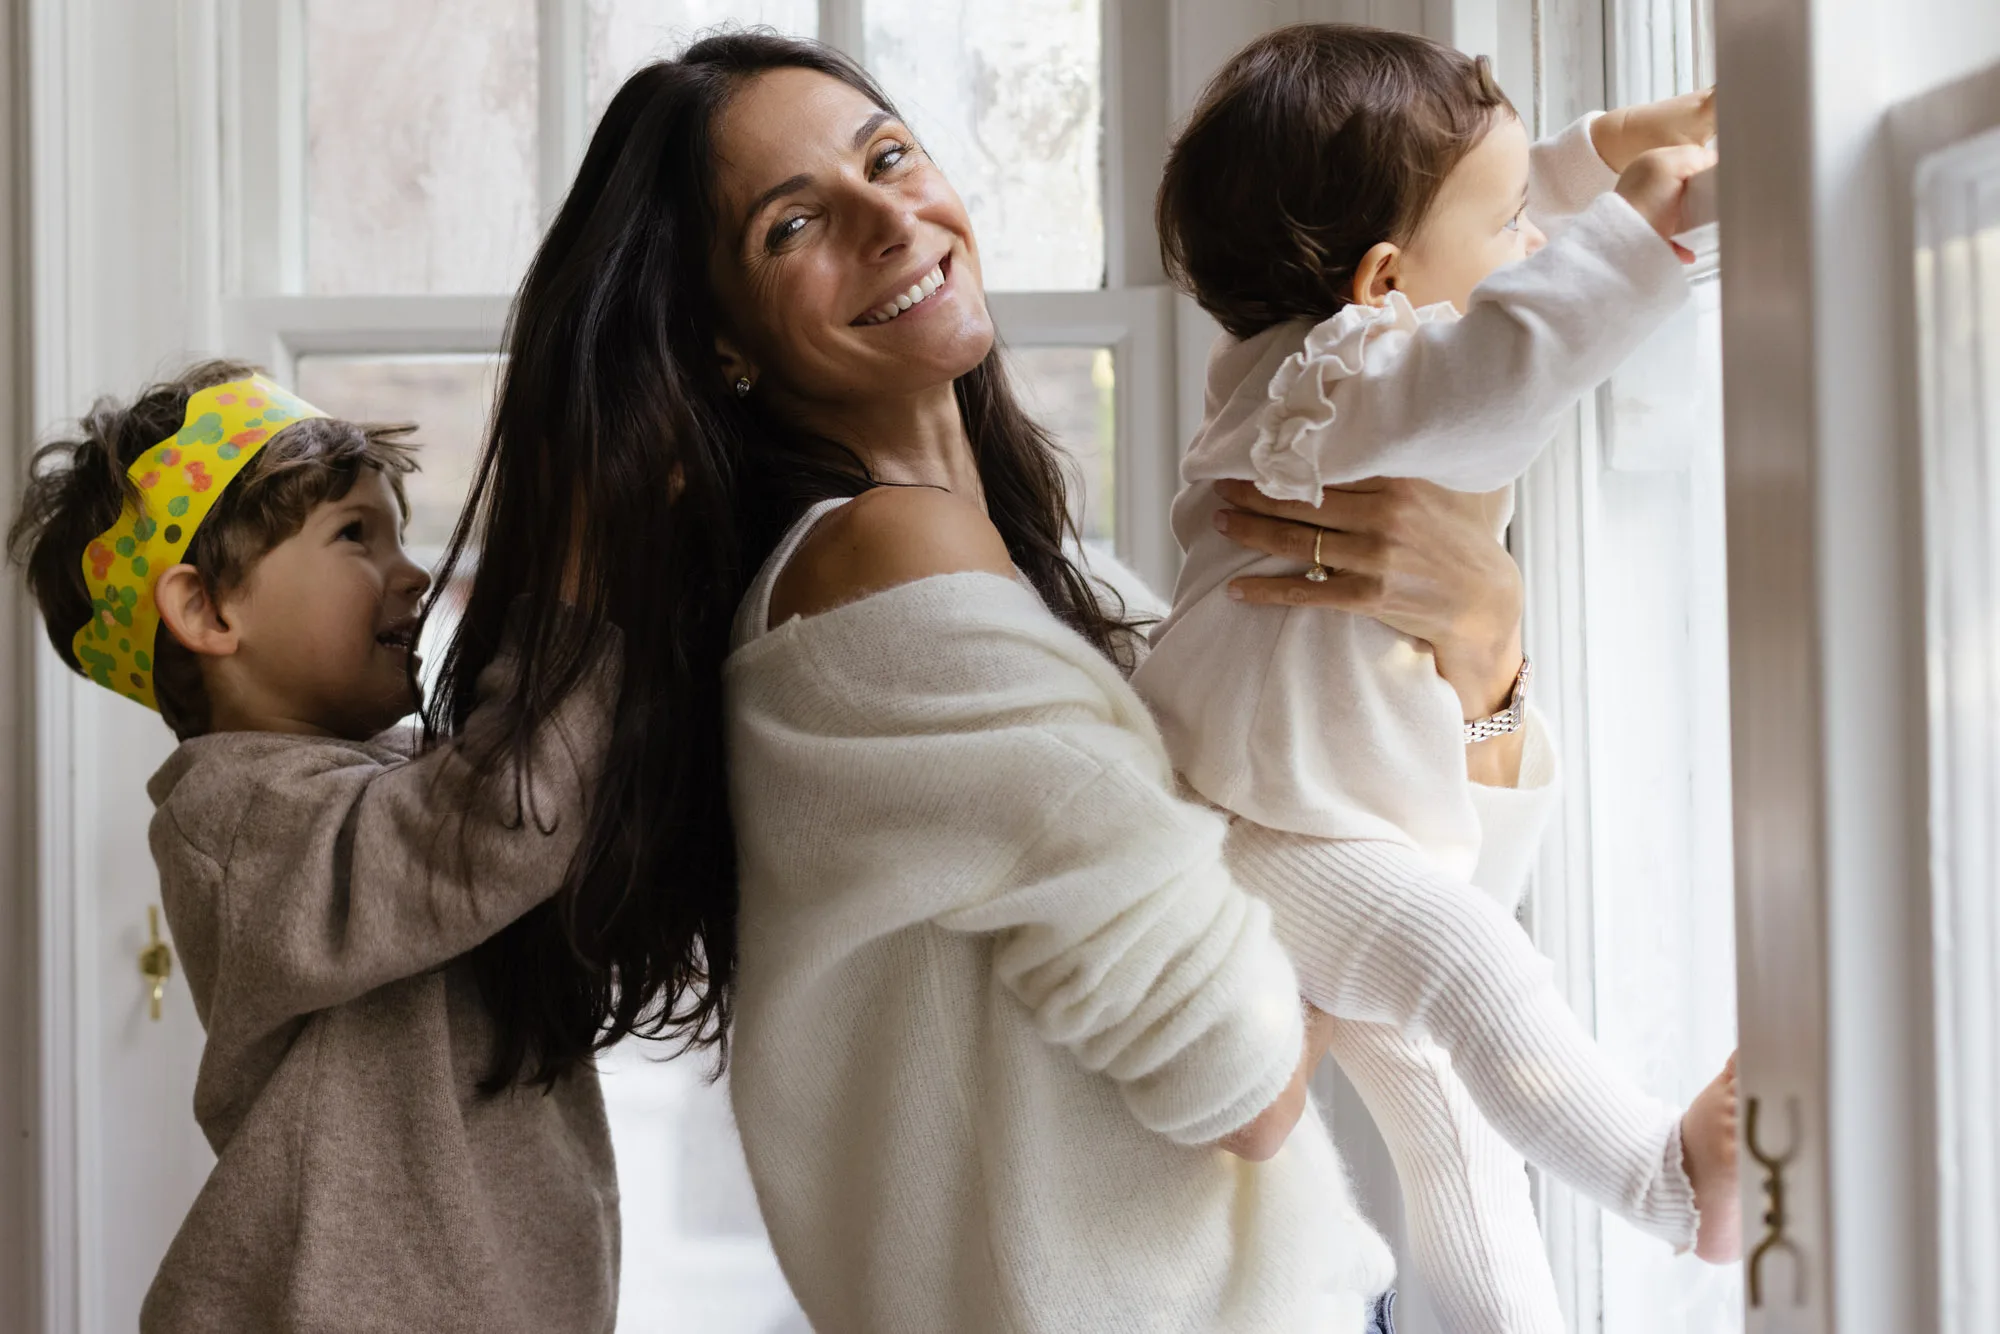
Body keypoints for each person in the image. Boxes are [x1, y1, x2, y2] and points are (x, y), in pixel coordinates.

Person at [424, 30, 1649, 1334]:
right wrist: (1339, 921)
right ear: (720, 342)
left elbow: (1382, 899)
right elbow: (1251, 1070)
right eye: (796, 226)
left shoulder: (1053, 586)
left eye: (889, 157)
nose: (891, 216)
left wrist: (1485, 641)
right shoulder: (886, 578)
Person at [1132, 24, 1740, 1331]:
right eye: (1514, 221)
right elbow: (1515, 347)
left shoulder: (1300, 368)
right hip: (1277, 833)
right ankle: (1667, 1182)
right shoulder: (1358, 385)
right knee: (1478, 970)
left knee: (1459, 1144)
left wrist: (1612, 151)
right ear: (1384, 283)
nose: (1537, 243)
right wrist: (1649, 234)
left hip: (1288, 814)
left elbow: (1482, 236)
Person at [7, 361, 621, 1333]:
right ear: (209, 611)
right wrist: (574, 593)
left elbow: (542, 816)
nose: (411, 570)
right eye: (353, 536)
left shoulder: (404, 777)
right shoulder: (233, 819)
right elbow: (493, 826)